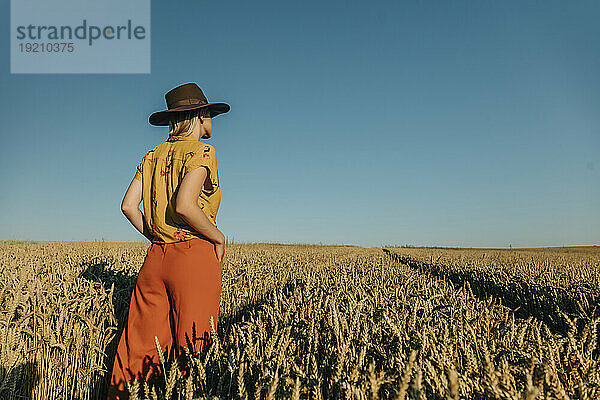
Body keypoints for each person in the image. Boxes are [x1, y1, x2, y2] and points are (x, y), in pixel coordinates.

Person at [107, 83, 230, 399]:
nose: (211, 120)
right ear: (201, 115)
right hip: (193, 256)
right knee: (194, 347)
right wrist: (217, 237)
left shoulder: (151, 156)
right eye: (210, 114)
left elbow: (127, 206)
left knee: (138, 345)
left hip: (155, 258)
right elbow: (184, 205)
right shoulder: (203, 152)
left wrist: (156, 235)